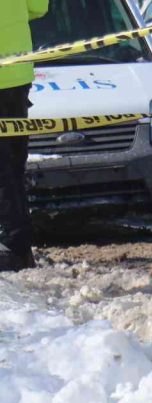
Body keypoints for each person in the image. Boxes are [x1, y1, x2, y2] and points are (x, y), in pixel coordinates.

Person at [0, 0, 48, 272]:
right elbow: (39, 8)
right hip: (18, 75)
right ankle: (20, 247)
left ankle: (12, 247)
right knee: (15, 165)